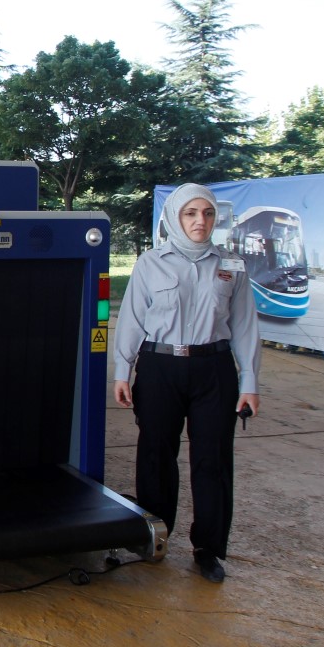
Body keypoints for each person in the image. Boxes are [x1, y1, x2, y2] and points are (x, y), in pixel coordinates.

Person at [112, 183, 261, 584]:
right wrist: (122, 371)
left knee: (212, 460)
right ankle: (155, 535)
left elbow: (246, 326)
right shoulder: (151, 262)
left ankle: (208, 549)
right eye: (191, 213)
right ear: (176, 217)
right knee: (156, 455)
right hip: (160, 368)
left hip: (214, 370)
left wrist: (249, 381)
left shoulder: (232, 265)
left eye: (207, 214)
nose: (200, 221)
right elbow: (132, 319)